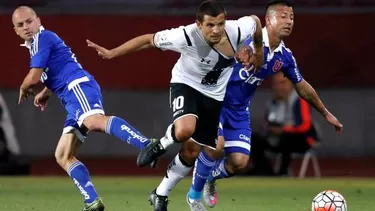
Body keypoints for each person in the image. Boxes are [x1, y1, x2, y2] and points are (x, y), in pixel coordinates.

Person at [86, 1, 264, 210]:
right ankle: (160, 144)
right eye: (210, 25)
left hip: (214, 96)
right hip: (185, 85)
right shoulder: (185, 36)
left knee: (192, 150)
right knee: (185, 129)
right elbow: (148, 40)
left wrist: (258, 51)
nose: (216, 30)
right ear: (198, 24)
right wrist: (112, 53)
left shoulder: (237, 30)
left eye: (220, 24)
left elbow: (256, 21)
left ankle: (160, 193)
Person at [186, 1, 343, 209]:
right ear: (268, 20)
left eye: (292, 17)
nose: (289, 21)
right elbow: (216, 39)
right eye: (283, 16)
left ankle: (210, 178)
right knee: (217, 146)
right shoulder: (245, 37)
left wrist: (326, 113)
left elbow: (302, 85)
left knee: (238, 163)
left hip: (239, 110)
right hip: (216, 100)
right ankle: (194, 196)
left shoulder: (284, 57)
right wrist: (236, 51)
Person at [13, 6, 155, 211]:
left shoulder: (42, 38)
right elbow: (60, 67)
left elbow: (33, 77)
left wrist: (24, 86)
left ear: (38, 20)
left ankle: (146, 144)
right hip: (71, 95)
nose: (26, 27)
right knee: (63, 155)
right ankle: (92, 201)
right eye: (20, 25)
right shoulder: (37, 44)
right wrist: (47, 91)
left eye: (29, 21)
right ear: (15, 30)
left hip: (78, 87)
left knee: (93, 121)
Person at [250, 72, 322, 176]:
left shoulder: (300, 99)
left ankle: (283, 173)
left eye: (282, 83)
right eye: (276, 84)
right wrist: (269, 128)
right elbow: (266, 122)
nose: (279, 87)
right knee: (254, 140)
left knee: (287, 138)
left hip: (302, 139)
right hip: (278, 137)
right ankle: (266, 172)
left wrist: (284, 129)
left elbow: (305, 126)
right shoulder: (273, 102)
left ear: (291, 84)